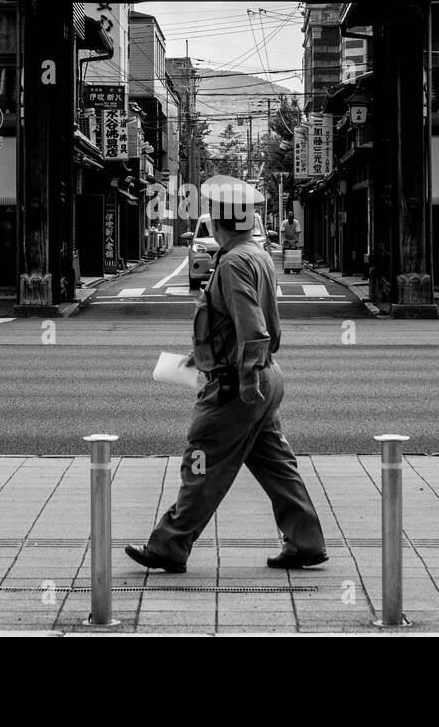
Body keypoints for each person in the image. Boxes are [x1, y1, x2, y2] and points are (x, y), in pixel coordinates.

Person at [126, 176, 328, 573]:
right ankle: (306, 542)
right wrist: (200, 359)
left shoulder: (234, 262)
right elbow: (237, 326)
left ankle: (169, 544)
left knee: (202, 457)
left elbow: (252, 327)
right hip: (265, 377)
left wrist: (246, 379)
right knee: (275, 464)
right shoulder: (256, 254)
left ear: (218, 223)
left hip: (240, 385)